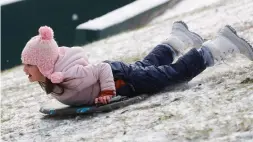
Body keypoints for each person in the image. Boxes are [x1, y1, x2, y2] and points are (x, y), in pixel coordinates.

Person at [21, 21, 253, 106]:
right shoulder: (53, 79)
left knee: (170, 74)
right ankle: (179, 38)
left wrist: (108, 91)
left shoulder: (70, 75)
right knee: (148, 64)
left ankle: (221, 44)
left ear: (44, 64)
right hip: (121, 74)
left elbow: (102, 68)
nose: (24, 70)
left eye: (29, 65)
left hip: (122, 80)